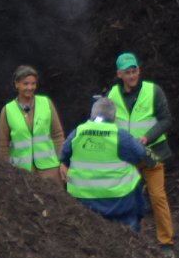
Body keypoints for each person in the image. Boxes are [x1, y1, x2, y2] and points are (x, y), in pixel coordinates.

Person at [108, 52, 175, 256]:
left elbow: (166, 120)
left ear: (139, 70)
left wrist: (147, 137)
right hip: (128, 157)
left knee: (157, 196)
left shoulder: (153, 91)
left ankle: (166, 243)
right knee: (129, 196)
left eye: (134, 70)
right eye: (127, 72)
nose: (132, 75)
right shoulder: (112, 96)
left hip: (152, 154)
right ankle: (133, 237)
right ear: (119, 74)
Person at [60, 96, 150, 231]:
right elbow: (140, 154)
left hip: (83, 200)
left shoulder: (78, 132)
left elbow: (64, 154)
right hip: (119, 202)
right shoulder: (120, 135)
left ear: (92, 115)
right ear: (114, 117)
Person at [0, 64, 65, 179]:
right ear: (16, 84)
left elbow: (58, 135)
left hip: (49, 170)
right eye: (26, 84)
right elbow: (3, 144)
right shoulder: (7, 110)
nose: (30, 87)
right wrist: (6, 170)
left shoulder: (46, 103)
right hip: (21, 171)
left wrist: (62, 162)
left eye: (33, 84)